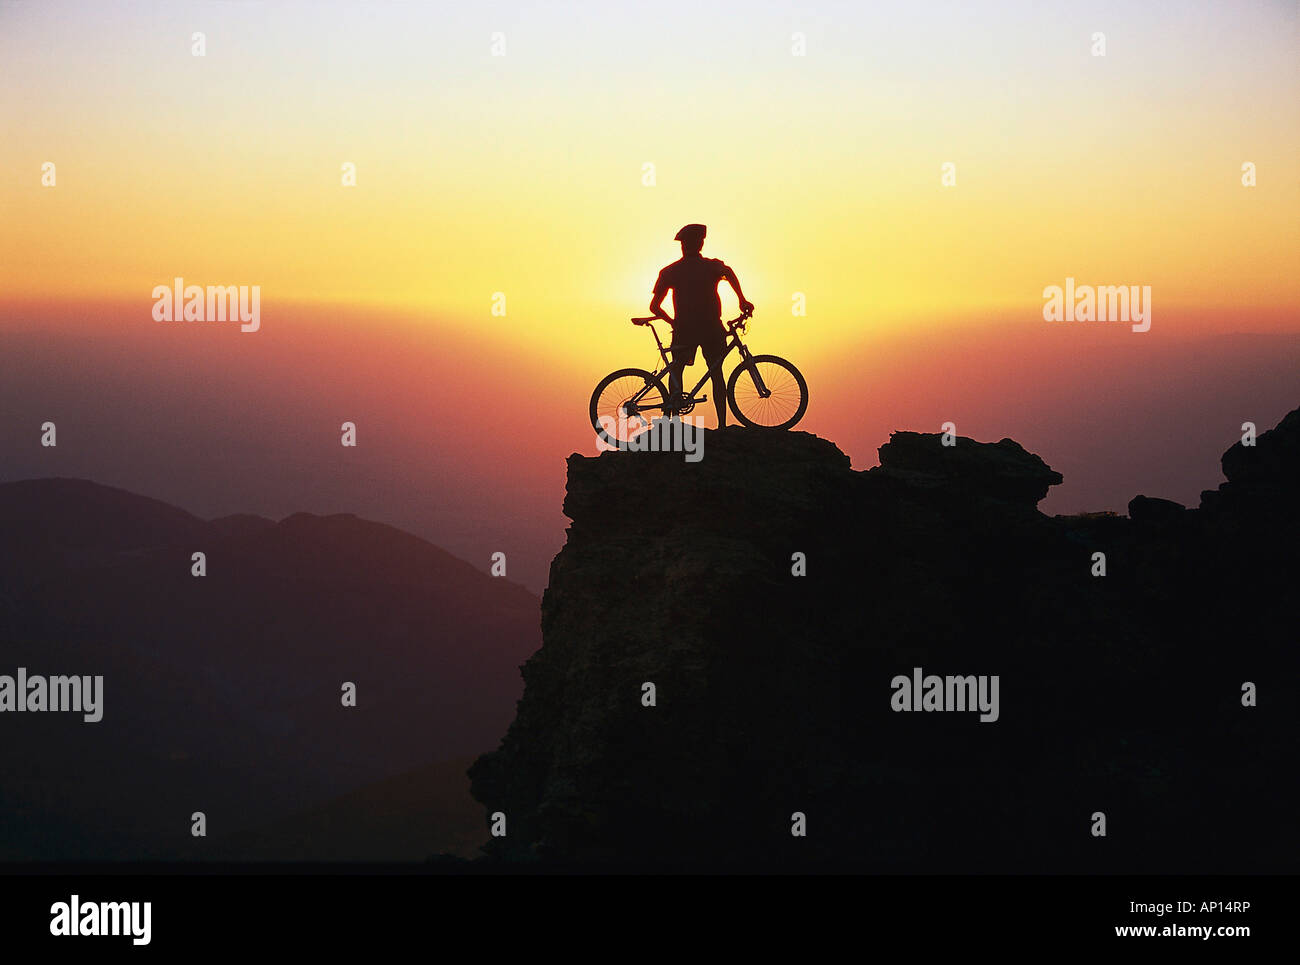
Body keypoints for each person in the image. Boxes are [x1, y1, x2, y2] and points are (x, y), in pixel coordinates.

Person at [648, 224, 754, 428]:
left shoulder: (670, 271)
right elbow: (729, 273)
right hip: (711, 328)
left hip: (684, 330)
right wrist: (742, 299)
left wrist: (672, 322)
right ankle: (722, 425)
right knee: (717, 373)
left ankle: (673, 422)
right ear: (701, 243)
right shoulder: (712, 266)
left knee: (676, 370)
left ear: (682, 246)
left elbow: (654, 307)